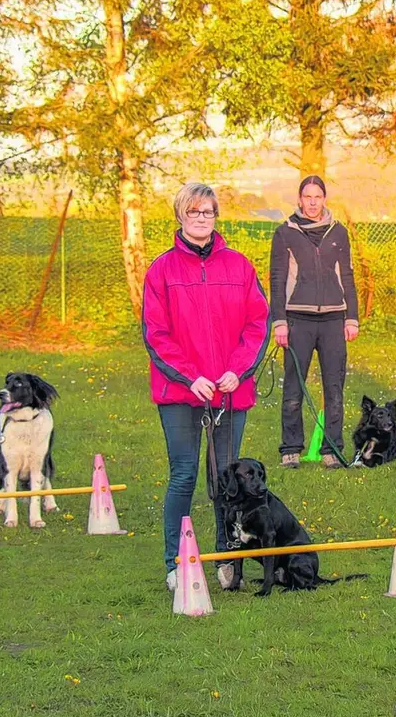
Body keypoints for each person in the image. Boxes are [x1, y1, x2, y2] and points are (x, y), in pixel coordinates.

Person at [143, 182, 270, 591]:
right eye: (195, 212)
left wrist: (238, 370)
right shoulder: (161, 270)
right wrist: (189, 377)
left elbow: (258, 324)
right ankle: (174, 563)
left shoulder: (239, 266)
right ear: (180, 215)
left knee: (226, 481)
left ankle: (225, 558)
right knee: (184, 476)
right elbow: (155, 333)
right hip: (181, 393)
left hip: (230, 391)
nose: (202, 219)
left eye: (209, 212)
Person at [268, 175, 359, 469]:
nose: (312, 202)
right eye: (307, 197)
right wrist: (279, 321)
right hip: (298, 319)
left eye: (317, 197)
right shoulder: (285, 233)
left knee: (335, 388)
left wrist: (352, 317)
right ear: (299, 199)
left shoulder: (339, 232)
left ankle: (331, 449)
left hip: (333, 319)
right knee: (294, 387)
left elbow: (347, 275)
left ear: (324, 199)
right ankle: (290, 448)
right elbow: (278, 279)